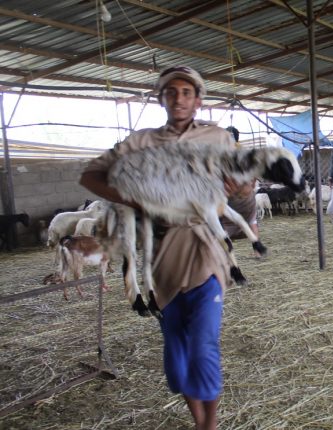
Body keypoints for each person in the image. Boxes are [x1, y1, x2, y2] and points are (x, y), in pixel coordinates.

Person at [79, 65, 245, 430]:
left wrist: (238, 186)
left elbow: (245, 183)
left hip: (205, 251)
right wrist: (134, 199)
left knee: (203, 345)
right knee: (176, 357)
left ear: (198, 100)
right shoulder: (140, 142)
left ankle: (209, 425)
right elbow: (90, 175)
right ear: (162, 99)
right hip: (161, 258)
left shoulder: (217, 138)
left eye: (187, 92)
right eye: (172, 92)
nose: (180, 98)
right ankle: (198, 418)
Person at [221, 126, 259, 241]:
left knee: (224, 221)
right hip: (244, 192)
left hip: (231, 192)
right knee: (252, 221)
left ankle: (227, 249)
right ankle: (257, 249)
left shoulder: (224, 153)